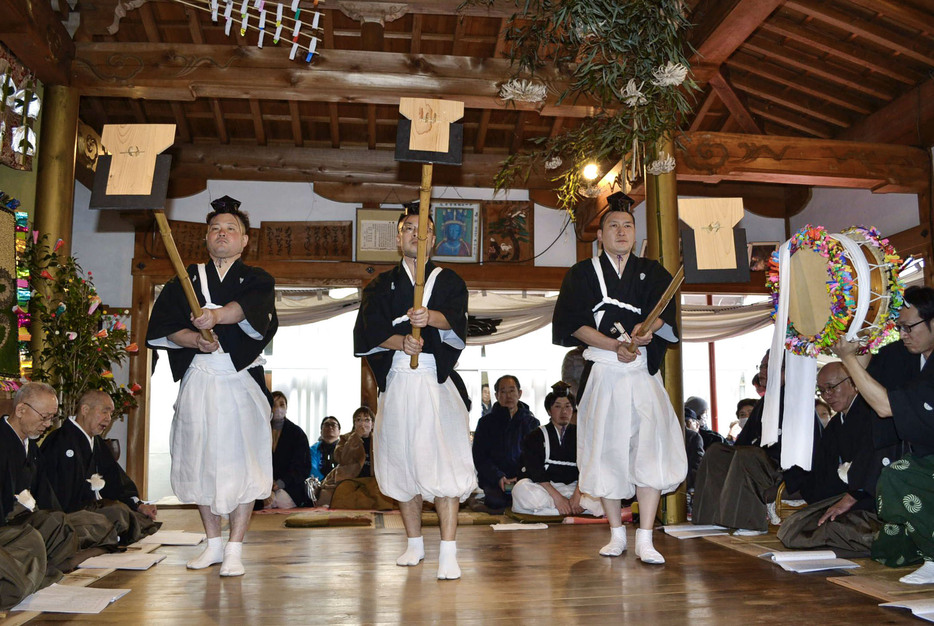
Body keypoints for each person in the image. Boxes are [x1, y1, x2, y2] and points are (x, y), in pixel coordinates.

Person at [146, 195, 278, 577]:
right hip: (200, 378)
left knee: (244, 464)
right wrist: (196, 340)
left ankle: (235, 547)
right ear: (206, 238)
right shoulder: (185, 277)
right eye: (215, 229)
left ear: (244, 240)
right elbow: (164, 326)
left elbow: (248, 311)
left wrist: (216, 315)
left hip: (239, 378)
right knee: (199, 459)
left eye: (230, 229)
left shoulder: (257, 279)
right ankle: (213, 543)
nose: (222, 234)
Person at [552, 193, 686, 563]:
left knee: (649, 451)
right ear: (600, 235)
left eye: (627, 226)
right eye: (613, 225)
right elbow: (573, 325)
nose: (621, 231)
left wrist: (644, 332)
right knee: (605, 451)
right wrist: (614, 345)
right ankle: (616, 533)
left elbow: (664, 312)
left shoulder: (652, 271)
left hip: (642, 373)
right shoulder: (581, 274)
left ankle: (645, 537)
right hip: (605, 374)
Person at [353, 204, 476, 580]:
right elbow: (366, 335)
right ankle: (413, 542)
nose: (415, 235)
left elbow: (458, 324)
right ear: (398, 238)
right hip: (399, 382)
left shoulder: (449, 281)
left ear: (433, 240)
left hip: (435, 381)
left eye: (423, 231)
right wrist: (399, 342)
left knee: (445, 463)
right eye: (408, 228)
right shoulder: (380, 284)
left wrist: (430, 319)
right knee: (401, 460)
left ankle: (449, 550)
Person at [832, 285, 934, 583]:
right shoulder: (905, 354)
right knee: (888, 553)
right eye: (899, 327)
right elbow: (865, 373)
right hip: (921, 454)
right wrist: (860, 336)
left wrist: (849, 359)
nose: (903, 334)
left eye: (909, 327)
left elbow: (885, 407)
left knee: (899, 475)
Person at [0, 383, 118, 579]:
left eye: (52, 418)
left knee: (91, 522)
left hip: (31, 521)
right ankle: (51, 563)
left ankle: (53, 558)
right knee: (52, 528)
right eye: (44, 417)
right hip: (9, 527)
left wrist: (56, 519)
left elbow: (45, 494)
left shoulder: (31, 447)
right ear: (21, 410)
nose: (47, 424)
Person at [692, 350, 815, 533]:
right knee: (717, 451)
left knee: (748, 455)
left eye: (768, 367)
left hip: (787, 472)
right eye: (762, 366)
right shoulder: (764, 403)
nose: (762, 372)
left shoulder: (798, 402)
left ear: (786, 371)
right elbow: (742, 442)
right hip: (756, 462)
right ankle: (710, 517)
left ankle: (749, 522)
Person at [777, 362, 881, 555]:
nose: (827, 395)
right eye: (822, 390)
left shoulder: (874, 414)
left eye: (832, 387)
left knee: (812, 529)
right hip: (842, 496)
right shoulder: (835, 424)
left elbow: (876, 462)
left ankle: (880, 540)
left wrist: (853, 495)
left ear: (854, 382)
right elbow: (822, 468)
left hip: (869, 498)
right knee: (793, 527)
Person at [41, 389, 160, 543]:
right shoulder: (59, 442)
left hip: (94, 510)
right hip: (72, 516)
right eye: (105, 412)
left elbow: (115, 479)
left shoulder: (95, 441)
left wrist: (137, 504)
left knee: (129, 515)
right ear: (85, 410)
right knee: (118, 513)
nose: (108, 418)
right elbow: (56, 495)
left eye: (110, 414)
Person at [511, 382, 602, 517]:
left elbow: (589, 467)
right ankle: (565, 509)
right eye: (558, 407)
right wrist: (558, 499)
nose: (563, 411)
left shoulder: (582, 435)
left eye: (568, 407)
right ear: (549, 410)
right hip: (547, 490)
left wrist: (577, 495)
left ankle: (552, 511)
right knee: (521, 488)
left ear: (573, 409)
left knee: (601, 491)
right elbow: (535, 471)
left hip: (577, 488)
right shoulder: (535, 435)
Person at [472, 375, 540, 512]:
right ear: (496, 395)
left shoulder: (531, 422)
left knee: (530, 503)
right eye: (503, 391)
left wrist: (521, 476)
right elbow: (480, 457)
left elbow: (535, 456)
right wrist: (498, 476)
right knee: (498, 503)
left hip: (522, 478)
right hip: (495, 479)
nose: (508, 395)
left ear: (519, 393)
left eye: (511, 390)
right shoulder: (486, 423)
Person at [317, 407, 382, 507]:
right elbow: (342, 459)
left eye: (367, 420)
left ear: (372, 424)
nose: (362, 423)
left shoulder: (379, 440)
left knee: (380, 496)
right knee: (342, 493)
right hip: (349, 479)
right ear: (354, 424)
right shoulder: (345, 438)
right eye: (358, 420)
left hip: (370, 480)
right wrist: (355, 438)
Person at [259, 392, 311, 510]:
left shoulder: (297, 434)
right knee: (261, 502)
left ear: (286, 408)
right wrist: (267, 484)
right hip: (263, 486)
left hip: (290, 487)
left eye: (281, 405)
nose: (278, 409)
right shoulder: (259, 432)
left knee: (280, 500)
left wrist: (282, 483)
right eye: (273, 405)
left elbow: (302, 466)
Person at [310, 416, 341, 481]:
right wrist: (324, 482)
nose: (330, 427)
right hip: (318, 484)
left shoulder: (345, 448)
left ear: (339, 431)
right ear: (321, 431)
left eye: (333, 424)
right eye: (327, 425)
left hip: (340, 483)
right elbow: (312, 469)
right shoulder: (313, 450)